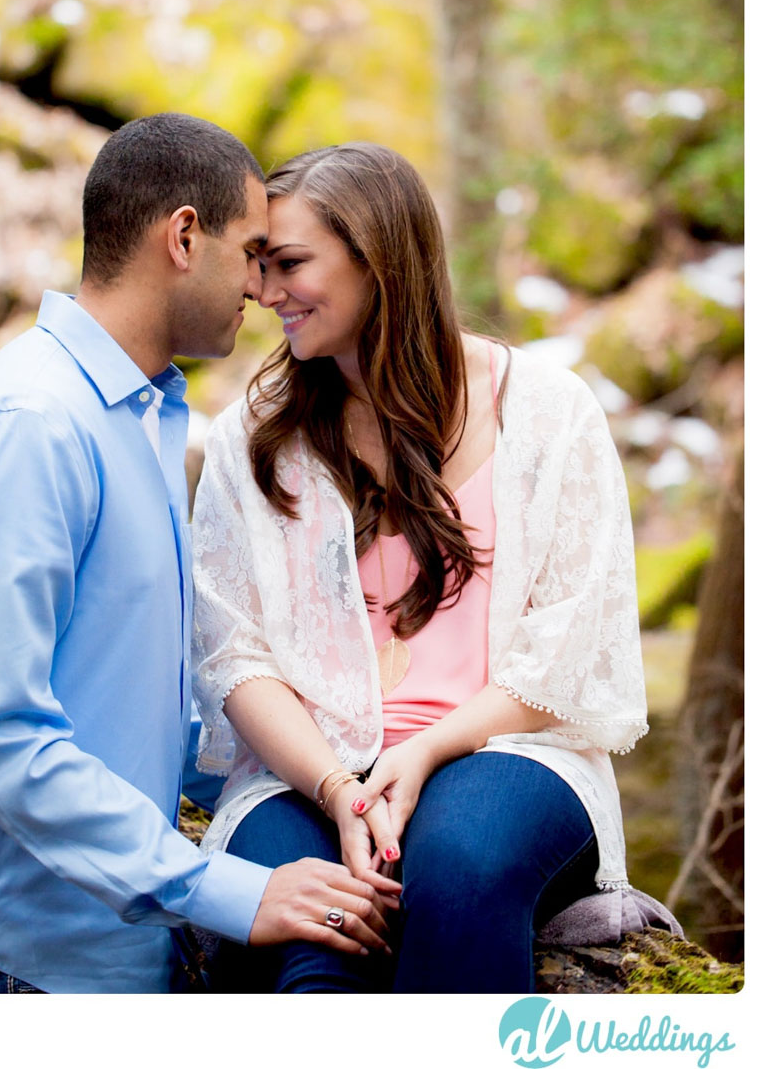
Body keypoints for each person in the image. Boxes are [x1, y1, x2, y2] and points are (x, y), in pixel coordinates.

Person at [0, 114, 399, 995]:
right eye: (252, 251)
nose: (263, 289)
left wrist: (345, 785)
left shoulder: (141, 421)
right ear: (183, 237)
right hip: (0, 966)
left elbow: (142, 711)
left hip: (103, 957)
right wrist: (225, 889)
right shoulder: (28, 425)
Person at [191, 141, 649, 993]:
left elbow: (564, 642)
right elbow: (233, 657)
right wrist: (335, 787)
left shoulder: (547, 414)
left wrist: (430, 749)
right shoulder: (250, 441)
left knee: (458, 868)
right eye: (256, 265)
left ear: (380, 260)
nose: (261, 291)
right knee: (319, 921)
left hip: (507, 750)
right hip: (305, 769)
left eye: (288, 263)